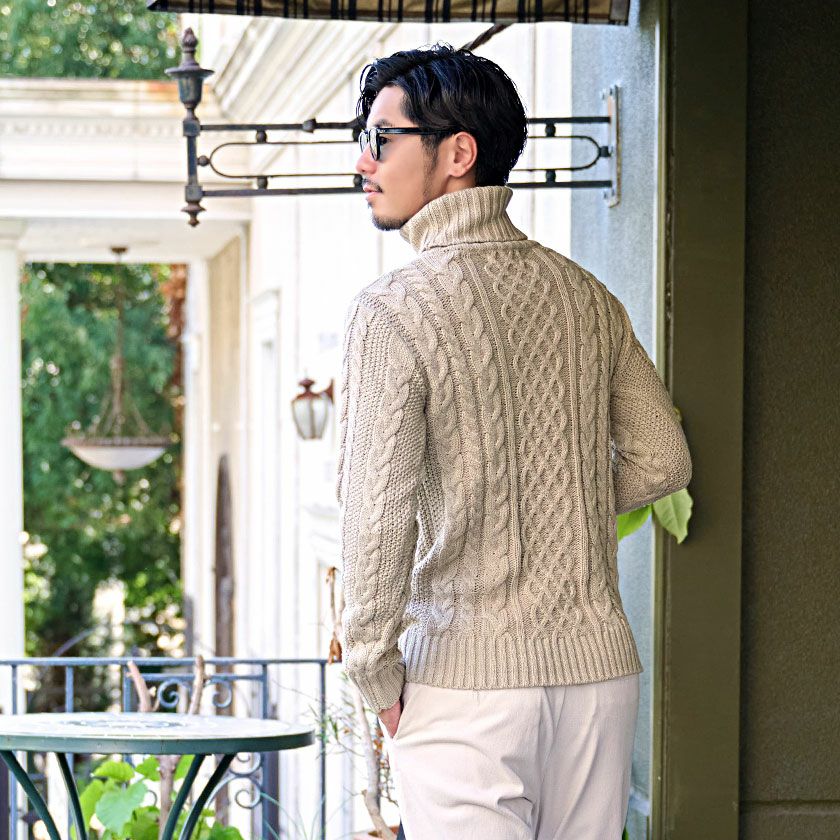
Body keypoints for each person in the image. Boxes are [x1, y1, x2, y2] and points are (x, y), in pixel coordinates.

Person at [336, 43, 692, 840]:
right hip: (597, 677)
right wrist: (554, 500)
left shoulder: (393, 310)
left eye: (382, 138)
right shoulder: (586, 296)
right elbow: (664, 458)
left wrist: (373, 673)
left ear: (457, 153)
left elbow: (375, 519)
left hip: (463, 686)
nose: (364, 160)